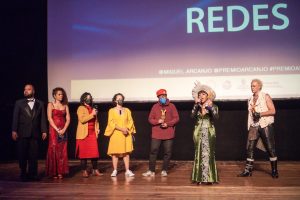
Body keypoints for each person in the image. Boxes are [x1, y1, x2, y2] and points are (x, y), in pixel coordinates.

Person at [238, 79, 278, 178]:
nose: (252, 87)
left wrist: (260, 114)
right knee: (250, 148)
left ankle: (274, 170)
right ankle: (248, 171)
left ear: (259, 86)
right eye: (251, 86)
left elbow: (273, 111)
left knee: (270, 148)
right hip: (254, 125)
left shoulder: (265, 96)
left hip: (264, 125)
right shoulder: (250, 99)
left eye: (254, 86)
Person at [11, 84, 47, 181]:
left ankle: (33, 174)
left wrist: (44, 130)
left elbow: (42, 118)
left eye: (28, 89)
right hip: (22, 132)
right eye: (25, 89)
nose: (26, 91)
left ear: (33, 91)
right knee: (22, 154)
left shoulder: (40, 103)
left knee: (33, 155)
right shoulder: (19, 103)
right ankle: (23, 172)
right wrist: (14, 130)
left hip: (35, 133)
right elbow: (15, 117)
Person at [142, 89, 179, 177]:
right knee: (153, 151)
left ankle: (164, 170)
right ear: (158, 97)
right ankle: (151, 170)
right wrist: (158, 121)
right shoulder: (155, 106)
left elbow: (176, 118)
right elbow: (150, 119)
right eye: (161, 96)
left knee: (167, 152)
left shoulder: (172, 106)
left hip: (168, 133)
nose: (163, 97)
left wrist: (168, 124)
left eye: (164, 96)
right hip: (157, 133)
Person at [190, 82, 219, 184]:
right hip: (198, 131)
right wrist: (196, 105)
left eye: (203, 94)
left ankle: (209, 177)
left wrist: (210, 108)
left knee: (209, 153)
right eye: (199, 94)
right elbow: (192, 116)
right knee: (198, 153)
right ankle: (198, 177)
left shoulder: (213, 106)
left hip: (209, 131)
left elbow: (216, 117)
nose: (201, 96)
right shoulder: (197, 106)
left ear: (208, 95)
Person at [104, 93, 136, 177]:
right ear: (115, 100)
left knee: (126, 153)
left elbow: (131, 121)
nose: (120, 100)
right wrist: (122, 129)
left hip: (126, 133)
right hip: (116, 133)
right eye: (118, 98)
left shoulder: (127, 110)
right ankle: (115, 170)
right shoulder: (111, 110)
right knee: (115, 153)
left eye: (121, 98)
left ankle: (127, 170)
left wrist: (127, 129)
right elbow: (111, 123)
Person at [45, 87, 70, 179]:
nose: (61, 96)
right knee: (54, 148)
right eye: (59, 94)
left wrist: (64, 129)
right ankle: (54, 171)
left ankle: (61, 171)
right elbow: (49, 118)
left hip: (63, 130)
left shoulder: (65, 106)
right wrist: (57, 129)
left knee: (62, 150)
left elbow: (68, 119)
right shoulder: (50, 104)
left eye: (62, 94)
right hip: (54, 130)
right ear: (54, 96)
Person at [76, 92, 102, 177]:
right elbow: (82, 120)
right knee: (84, 155)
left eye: (90, 97)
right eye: (88, 97)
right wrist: (92, 114)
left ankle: (95, 170)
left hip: (92, 134)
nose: (89, 99)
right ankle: (84, 171)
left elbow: (96, 121)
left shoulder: (92, 108)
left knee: (94, 154)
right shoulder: (81, 108)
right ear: (84, 99)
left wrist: (97, 129)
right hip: (83, 134)